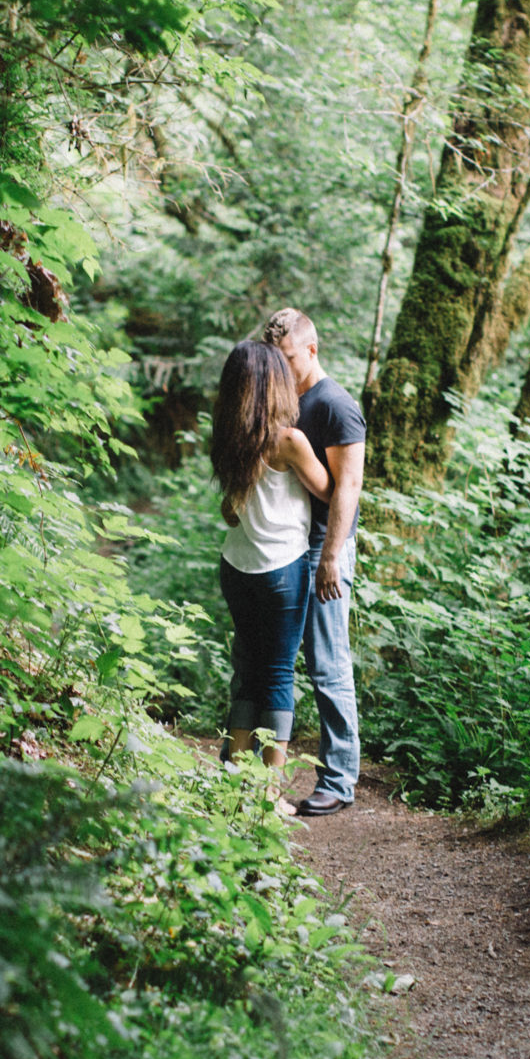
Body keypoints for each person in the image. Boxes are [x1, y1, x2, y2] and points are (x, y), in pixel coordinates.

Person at [210, 340, 332, 783]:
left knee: (247, 671)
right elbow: (328, 490)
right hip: (281, 568)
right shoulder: (289, 441)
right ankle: (266, 793)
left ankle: (231, 778)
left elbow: (229, 508)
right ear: (274, 384)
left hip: (236, 565)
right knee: (278, 674)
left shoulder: (230, 435)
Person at [261, 308, 364, 817]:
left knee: (327, 665)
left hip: (326, 548)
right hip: (287, 545)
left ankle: (339, 779)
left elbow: (347, 488)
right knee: (277, 662)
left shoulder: (336, 406)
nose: (282, 369)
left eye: (289, 359)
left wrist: (330, 558)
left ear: (312, 350)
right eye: (275, 361)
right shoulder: (288, 400)